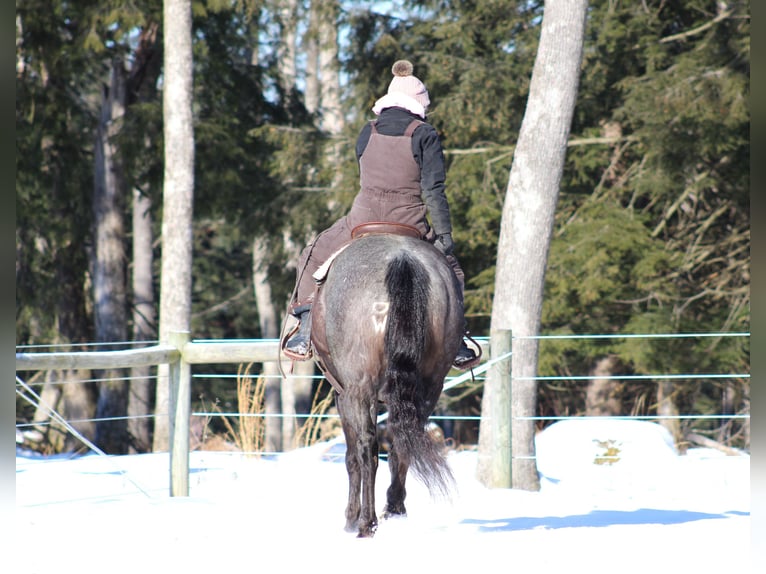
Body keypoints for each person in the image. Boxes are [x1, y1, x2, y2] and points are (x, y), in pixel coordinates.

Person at [283, 59, 478, 369]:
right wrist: (444, 236)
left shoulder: (367, 130)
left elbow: (365, 170)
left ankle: (304, 330)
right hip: (409, 219)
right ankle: (457, 342)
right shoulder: (425, 134)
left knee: (313, 254)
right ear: (418, 102)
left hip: (363, 217)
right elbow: (434, 190)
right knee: (451, 271)